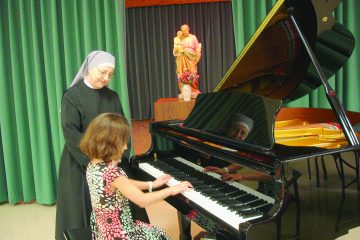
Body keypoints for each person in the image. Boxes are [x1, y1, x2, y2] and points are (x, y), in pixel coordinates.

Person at [55, 50, 148, 239]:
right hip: (82, 161)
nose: (106, 78)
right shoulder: (72, 96)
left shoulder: (112, 96)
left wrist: (118, 158)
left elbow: (123, 128)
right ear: (89, 67)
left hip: (113, 159)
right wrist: (96, 163)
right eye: (102, 72)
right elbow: (71, 132)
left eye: (110, 75)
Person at [80, 112, 192, 239]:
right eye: (122, 143)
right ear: (111, 144)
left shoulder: (92, 165)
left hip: (103, 229)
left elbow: (124, 184)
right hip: (120, 233)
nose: (125, 147)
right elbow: (142, 200)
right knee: (160, 235)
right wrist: (171, 190)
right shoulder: (112, 172)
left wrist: (152, 184)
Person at [173, 24, 202, 95]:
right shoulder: (180, 38)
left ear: (188, 29)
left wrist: (197, 54)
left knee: (192, 72)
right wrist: (179, 49)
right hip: (182, 57)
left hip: (191, 57)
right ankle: (184, 90)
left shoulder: (193, 37)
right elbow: (175, 49)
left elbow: (197, 47)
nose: (184, 32)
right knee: (182, 73)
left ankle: (194, 89)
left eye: (185, 30)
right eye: (182, 31)